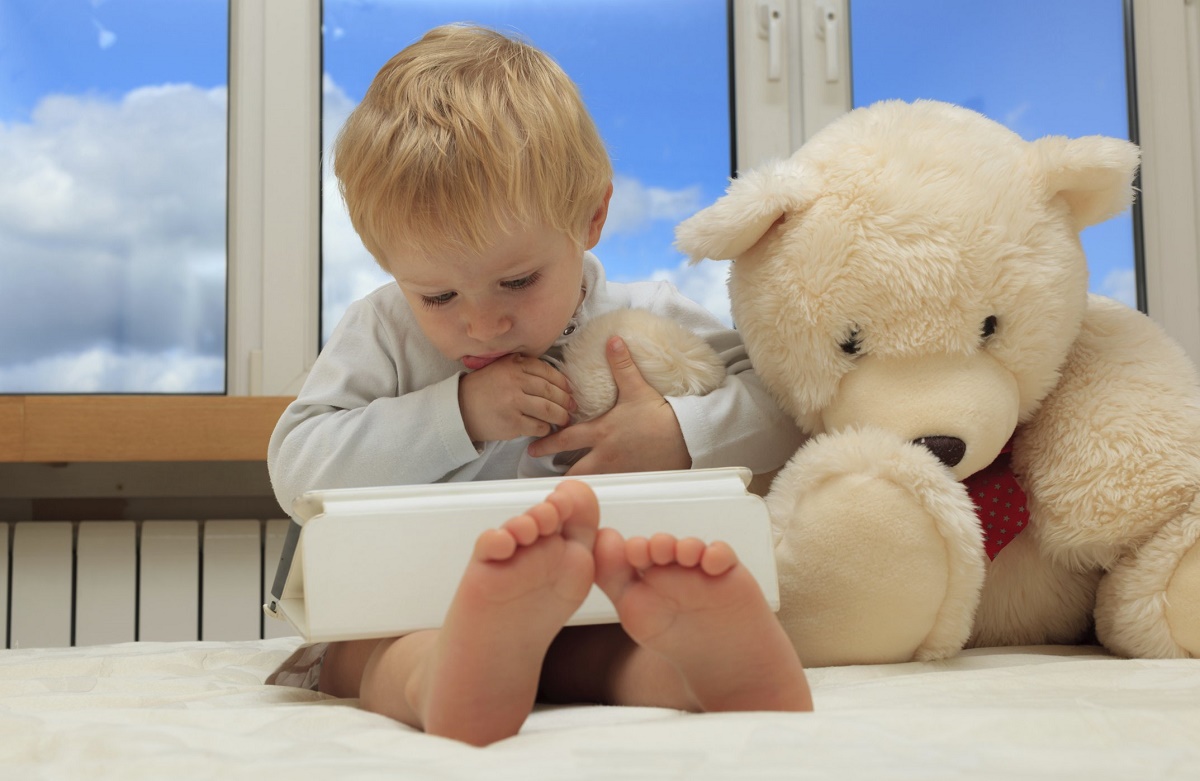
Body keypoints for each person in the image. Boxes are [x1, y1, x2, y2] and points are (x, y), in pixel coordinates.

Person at [266, 23, 812, 746]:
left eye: (518, 281)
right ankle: (449, 677)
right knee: (365, 656)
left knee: (620, 642)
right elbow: (296, 465)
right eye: (438, 297)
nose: (483, 324)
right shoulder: (383, 330)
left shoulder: (644, 313)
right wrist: (458, 414)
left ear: (591, 219)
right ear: (384, 259)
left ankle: (705, 672)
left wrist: (677, 434)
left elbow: (788, 406)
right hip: (406, 603)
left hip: (598, 601)